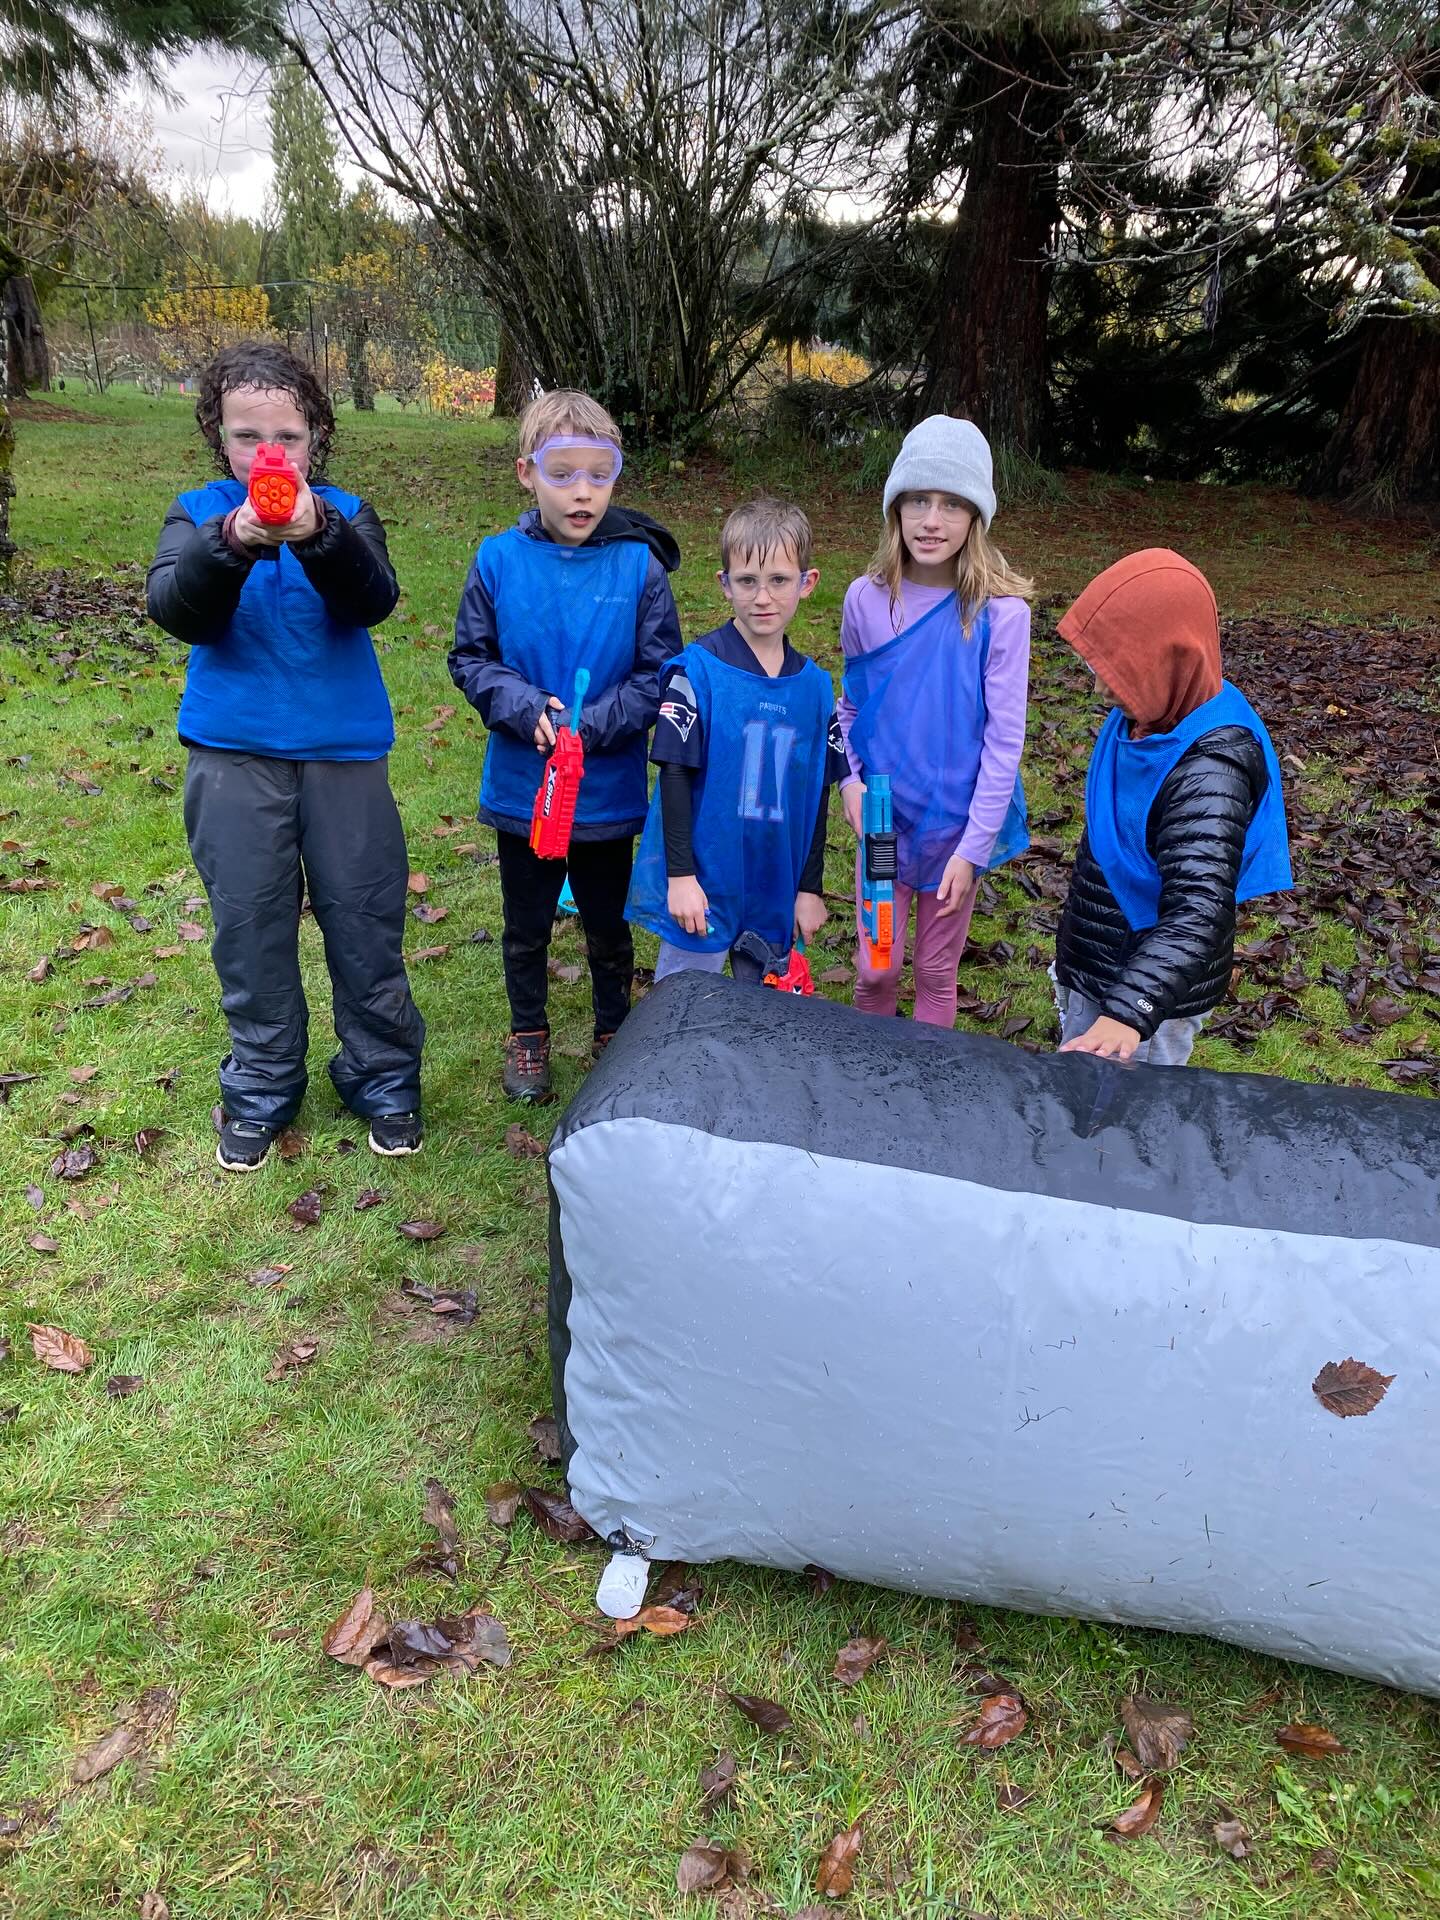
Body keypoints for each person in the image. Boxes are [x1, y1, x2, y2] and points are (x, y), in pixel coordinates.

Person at [146, 341, 424, 1172]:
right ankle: (263, 1087)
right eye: (245, 435)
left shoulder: (347, 508)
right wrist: (231, 540)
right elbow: (175, 609)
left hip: (343, 755)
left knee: (366, 922)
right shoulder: (196, 510)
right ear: (218, 436)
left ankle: (382, 1079)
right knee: (250, 928)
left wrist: (319, 534)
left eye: (289, 438)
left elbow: (373, 598)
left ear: (316, 438)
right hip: (232, 757)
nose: (269, 453)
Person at [448, 390, 682, 1103]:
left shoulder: (640, 568)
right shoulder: (496, 562)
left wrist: (602, 721)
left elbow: (660, 674)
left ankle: (614, 1029)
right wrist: (523, 708)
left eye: (598, 474)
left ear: (615, 476)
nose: (582, 492)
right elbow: (471, 658)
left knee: (609, 924)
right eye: (562, 473)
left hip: (605, 790)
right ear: (527, 473)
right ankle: (528, 1034)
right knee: (526, 925)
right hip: (525, 786)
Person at [1052, 548, 1293, 1065]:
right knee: (1078, 1102)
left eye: (1116, 669)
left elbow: (1198, 910)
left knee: (1133, 1120)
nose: (1099, 687)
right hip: (1102, 957)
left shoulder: (1211, 772)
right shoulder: (1151, 718)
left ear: (1169, 658)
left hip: (1151, 1000)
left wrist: (1130, 1011)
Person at [837, 415, 1032, 1026]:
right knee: (877, 964)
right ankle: (866, 1072)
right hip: (885, 822)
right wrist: (849, 782)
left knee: (935, 969)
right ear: (895, 508)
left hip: (955, 825)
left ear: (977, 517)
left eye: (952, 504)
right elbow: (849, 709)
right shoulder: (865, 600)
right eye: (918, 500)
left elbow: (1005, 742)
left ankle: (925, 1093)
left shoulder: (1000, 615)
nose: (931, 521)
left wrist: (974, 849)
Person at [626, 499, 846, 983]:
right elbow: (675, 776)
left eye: (779, 581)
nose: (762, 597)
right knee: (683, 1009)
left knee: (763, 1018)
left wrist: (808, 889)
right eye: (747, 581)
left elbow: (817, 797)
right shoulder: (696, 672)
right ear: (725, 585)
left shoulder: (814, 689)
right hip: (707, 876)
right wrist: (681, 878)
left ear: (807, 584)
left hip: (773, 878)